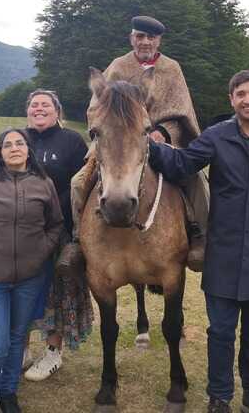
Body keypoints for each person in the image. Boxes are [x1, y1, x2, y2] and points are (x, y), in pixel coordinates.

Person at [147, 70, 249, 413]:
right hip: (224, 251)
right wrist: (148, 145)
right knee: (220, 330)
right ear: (231, 100)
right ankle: (219, 397)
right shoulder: (217, 136)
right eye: (240, 94)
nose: (248, 100)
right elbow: (182, 164)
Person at [59, 14, 209, 274]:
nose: (145, 42)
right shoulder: (118, 66)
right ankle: (76, 240)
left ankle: (201, 236)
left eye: (151, 37)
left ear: (158, 41)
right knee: (77, 183)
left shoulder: (171, 69)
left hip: (161, 139)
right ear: (132, 38)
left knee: (196, 179)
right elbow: (96, 107)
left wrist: (162, 131)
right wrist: (110, 129)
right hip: (116, 141)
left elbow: (182, 112)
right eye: (140, 36)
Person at [0, 129, 63, 413]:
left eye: (20, 143)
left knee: (17, 339)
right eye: (7, 145)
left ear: (28, 150)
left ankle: (8, 394)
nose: (14, 148)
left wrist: (42, 250)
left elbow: (55, 224)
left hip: (29, 279)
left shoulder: (44, 183)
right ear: (0, 152)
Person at [20, 90, 93, 381]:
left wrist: (51, 212)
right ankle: (21, 349)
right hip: (21, 231)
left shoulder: (72, 141)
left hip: (59, 229)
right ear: (27, 111)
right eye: (34, 105)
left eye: (45, 105)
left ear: (57, 111)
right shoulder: (17, 139)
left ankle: (53, 352)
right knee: (22, 289)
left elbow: (82, 184)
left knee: (57, 292)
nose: (39, 109)